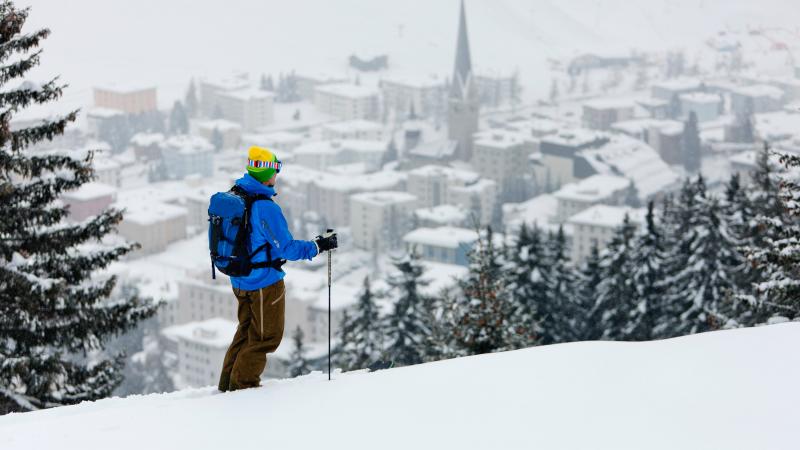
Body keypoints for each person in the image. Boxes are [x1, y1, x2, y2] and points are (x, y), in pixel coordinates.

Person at [218, 146, 337, 392]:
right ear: (266, 173)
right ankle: (242, 389)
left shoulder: (236, 194)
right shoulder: (265, 207)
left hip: (240, 279)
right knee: (265, 337)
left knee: (245, 333)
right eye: (276, 169)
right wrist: (317, 245)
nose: (277, 175)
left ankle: (227, 386)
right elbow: (287, 249)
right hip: (263, 284)